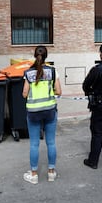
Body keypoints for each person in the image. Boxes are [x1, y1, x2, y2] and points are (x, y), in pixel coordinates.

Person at [22, 45, 62, 184]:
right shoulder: (52, 71)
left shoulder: (28, 73)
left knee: (34, 144)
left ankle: (33, 174)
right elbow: (58, 91)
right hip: (50, 110)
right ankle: (51, 172)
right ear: (46, 56)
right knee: (51, 142)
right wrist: (49, 92)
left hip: (33, 112)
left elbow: (24, 93)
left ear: (35, 55)